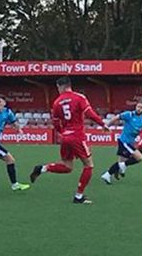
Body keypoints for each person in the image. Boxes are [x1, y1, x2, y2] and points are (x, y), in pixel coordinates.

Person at [29, 76, 108, 204]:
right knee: (89, 165)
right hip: (77, 135)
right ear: (69, 86)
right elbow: (89, 113)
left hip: (66, 137)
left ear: (61, 87)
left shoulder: (56, 102)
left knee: (67, 166)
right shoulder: (79, 97)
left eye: (58, 88)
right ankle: (78, 196)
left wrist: (63, 134)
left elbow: (55, 123)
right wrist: (103, 124)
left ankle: (43, 168)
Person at [101, 101, 142, 184]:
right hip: (124, 141)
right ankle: (110, 173)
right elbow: (116, 117)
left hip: (131, 142)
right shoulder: (129, 114)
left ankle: (108, 174)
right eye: (138, 107)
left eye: (141, 107)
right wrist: (107, 126)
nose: (139, 109)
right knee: (139, 158)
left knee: (121, 162)